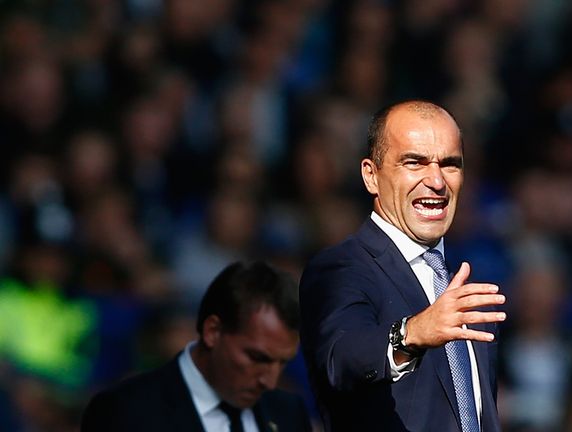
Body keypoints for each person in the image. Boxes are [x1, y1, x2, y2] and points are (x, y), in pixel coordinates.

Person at [300, 100, 507, 431]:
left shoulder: (464, 289)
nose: (437, 181)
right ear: (371, 175)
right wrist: (410, 334)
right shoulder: (343, 268)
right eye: (415, 162)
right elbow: (341, 360)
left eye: (450, 164)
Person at [81, 261, 311, 432]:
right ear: (213, 331)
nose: (270, 381)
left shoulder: (289, 413)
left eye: (282, 363)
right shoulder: (126, 411)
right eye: (257, 358)